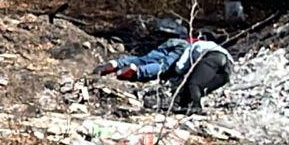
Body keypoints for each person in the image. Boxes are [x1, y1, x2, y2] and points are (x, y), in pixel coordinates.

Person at [96, 35, 234, 112]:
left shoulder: (200, 44)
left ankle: (118, 63)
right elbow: (184, 63)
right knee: (165, 66)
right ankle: (138, 71)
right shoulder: (198, 46)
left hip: (170, 42)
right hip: (183, 48)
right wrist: (177, 72)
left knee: (145, 58)